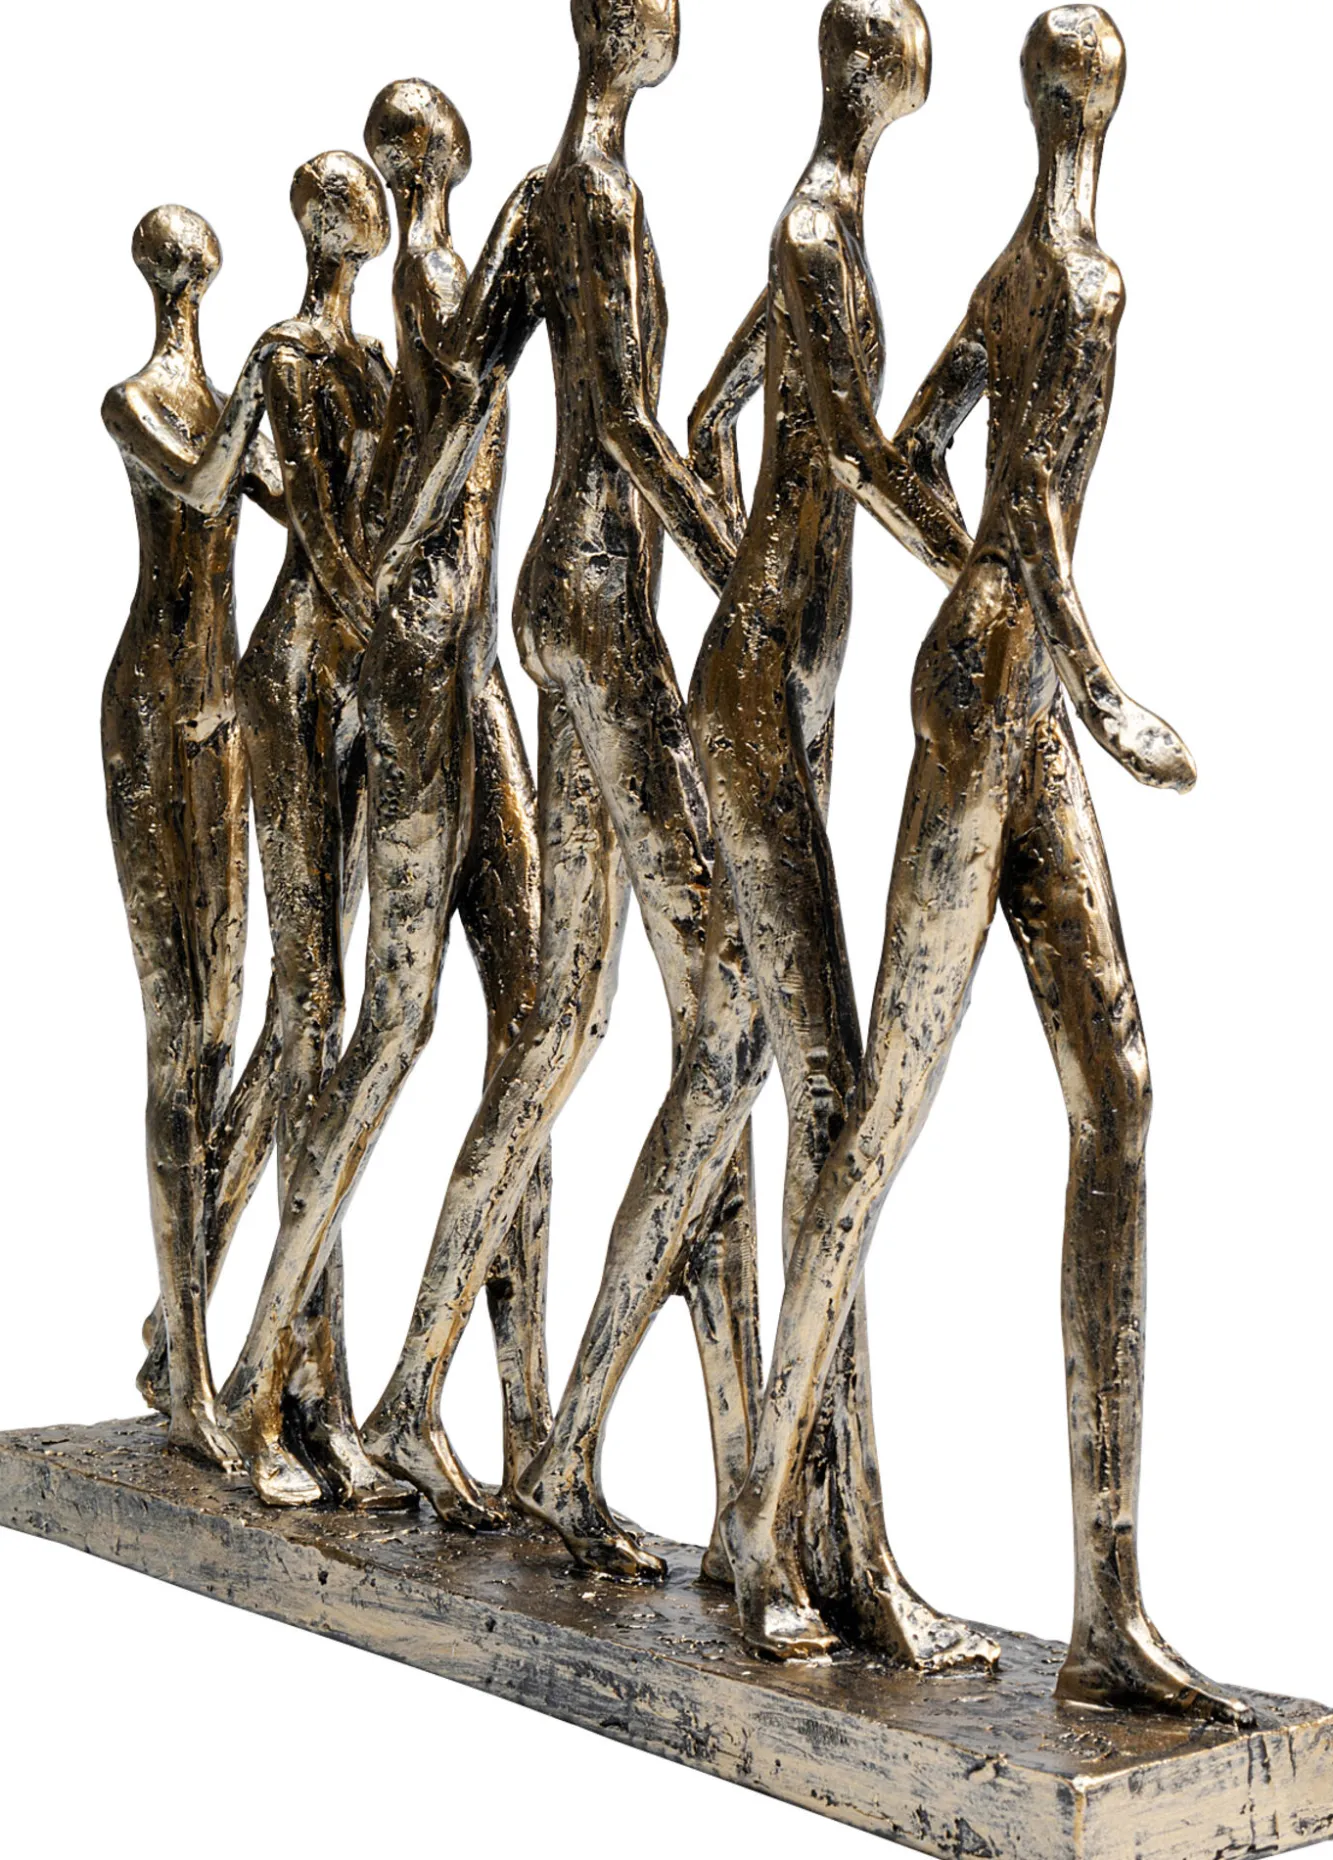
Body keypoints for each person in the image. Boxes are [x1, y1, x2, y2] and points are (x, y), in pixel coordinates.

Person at [717, 9, 1256, 1721]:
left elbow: (912, 450)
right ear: (1105, 101)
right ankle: (756, 1524)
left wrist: (992, 611)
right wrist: (1102, 690)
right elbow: (1018, 508)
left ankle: (1107, 1610)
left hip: (988, 677)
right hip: (1001, 692)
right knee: (884, 1112)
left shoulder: (1013, 273)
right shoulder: (1080, 284)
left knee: (1117, 1088)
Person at [245, 0, 763, 1562]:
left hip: (526, 624)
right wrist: (734, 564)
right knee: (707, 1023)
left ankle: (440, 1399)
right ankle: (338, 1387)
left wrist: (375, 571)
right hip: (582, 611)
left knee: (551, 1026)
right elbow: (601, 423)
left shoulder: (535, 205)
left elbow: (465, 402)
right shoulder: (577, 200)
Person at [518, 0, 995, 1672]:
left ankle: (631, 1465)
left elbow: (725, 404)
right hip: (759, 695)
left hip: (783, 682)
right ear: (878, 73)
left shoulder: (815, 233)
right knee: (826, 1099)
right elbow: (848, 451)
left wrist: (763, 558)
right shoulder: (815, 230)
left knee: (755, 1075)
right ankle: (777, 1535)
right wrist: (990, 567)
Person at [223, 83, 553, 1522]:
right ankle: (259, 1369)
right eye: (415, 139)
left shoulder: (433, 290)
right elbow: (417, 470)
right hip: (417, 669)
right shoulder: (428, 285)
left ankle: (502, 1425)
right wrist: (365, 624)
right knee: (383, 1025)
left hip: (469, 673)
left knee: (537, 1020)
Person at [222, 153, 413, 1510]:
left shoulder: (375, 364)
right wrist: (386, 616)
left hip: (348, 679)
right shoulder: (292, 353)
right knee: (310, 1009)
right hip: (296, 670)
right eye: (348, 200)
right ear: (322, 223)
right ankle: (282, 1386)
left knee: (319, 1020)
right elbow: (331, 532)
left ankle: (282, 1364)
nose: (366, 216)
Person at [102, 205, 287, 1473]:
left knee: (231, 1030)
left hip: (226, 714)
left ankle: (180, 1328)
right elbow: (212, 482)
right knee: (179, 1035)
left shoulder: (232, 399)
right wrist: (268, 384)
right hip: (152, 712)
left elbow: (299, 508)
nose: (188, 271)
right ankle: (190, 1389)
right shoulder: (137, 402)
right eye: (177, 257)